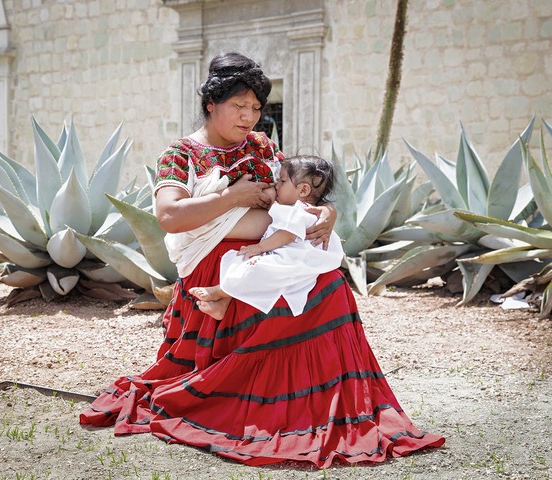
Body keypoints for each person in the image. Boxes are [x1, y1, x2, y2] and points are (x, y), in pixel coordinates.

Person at [80, 51, 445, 468]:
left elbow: (300, 190)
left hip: (271, 252)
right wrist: (231, 197)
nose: (249, 116)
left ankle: (328, 407)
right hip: (217, 265)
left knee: (331, 286)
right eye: (239, 106)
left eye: (256, 107)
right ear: (210, 105)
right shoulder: (182, 153)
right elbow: (169, 217)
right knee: (308, 294)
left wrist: (329, 212)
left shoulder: (260, 145)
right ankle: (271, 401)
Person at [189, 155, 345, 320]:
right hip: (290, 257)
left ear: (303, 190)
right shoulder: (297, 208)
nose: (276, 186)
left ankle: (218, 291)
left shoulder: (298, 210)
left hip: (293, 259)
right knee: (248, 266)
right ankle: (223, 303)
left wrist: (259, 248)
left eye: (283, 182)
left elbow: (287, 234)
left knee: (255, 268)